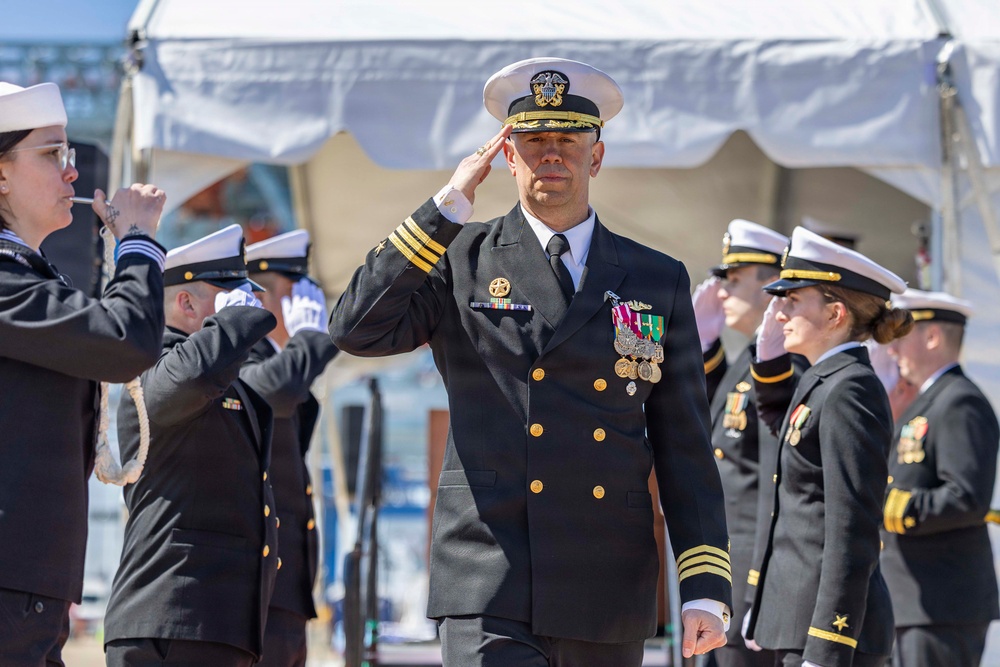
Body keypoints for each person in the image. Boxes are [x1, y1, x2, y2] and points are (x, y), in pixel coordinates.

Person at [329, 57, 731, 667]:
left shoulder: (655, 276)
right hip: (489, 572)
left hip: (606, 575)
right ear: (508, 157)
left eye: (568, 141)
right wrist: (444, 208)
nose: (551, 155)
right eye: (534, 140)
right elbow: (356, 329)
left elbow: (685, 444)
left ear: (596, 156)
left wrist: (704, 584)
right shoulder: (460, 257)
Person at [0, 81, 167, 666]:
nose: (71, 171)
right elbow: (123, 341)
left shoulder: (24, 274)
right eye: (51, 154)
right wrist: (137, 242)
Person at [103, 225, 280, 667]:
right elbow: (188, 379)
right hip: (171, 620)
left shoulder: (219, 377)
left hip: (213, 625)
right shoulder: (151, 367)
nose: (250, 305)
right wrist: (234, 325)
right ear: (185, 303)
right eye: (232, 296)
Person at [743, 226, 912, 667]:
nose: (779, 313)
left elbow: (851, 529)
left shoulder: (849, 389)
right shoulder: (826, 380)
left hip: (828, 635)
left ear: (836, 314)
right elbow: (792, 439)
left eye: (793, 300)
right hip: (798, 622)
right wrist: (769, 364)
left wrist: (827, 647)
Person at [880, 289, 999, 667]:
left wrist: (888, 505)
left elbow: (966, 497)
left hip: (941, 605)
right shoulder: (928, 401)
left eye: (901, 338)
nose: (892, 351)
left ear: (932, 337)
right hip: (916, 603)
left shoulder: (959, 401)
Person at [692, 219, 790, 667]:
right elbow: (719, 417)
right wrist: (702, 344)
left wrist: (757, 586)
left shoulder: (782, 363)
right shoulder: (751, 357)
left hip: (751, 570)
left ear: (770, 286)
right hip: (726, 567)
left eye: (734, 279)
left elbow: (775, 483)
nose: (723, 291)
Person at [243, 230, 340, 666]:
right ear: (263, 301)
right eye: (296, 295)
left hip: (283, 598)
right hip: (256, 598)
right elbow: (276, 392)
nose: (309, 307)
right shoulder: (239, 360)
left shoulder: (275, 362)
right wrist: (309, 340)